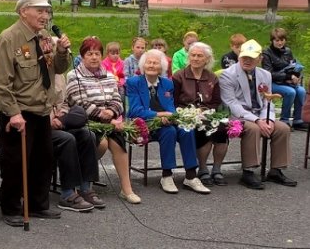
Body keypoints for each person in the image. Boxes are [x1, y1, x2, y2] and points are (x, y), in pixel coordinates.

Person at [0, 0, 71, 227]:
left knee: (43, 159)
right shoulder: (9, 38)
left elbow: (57, 69)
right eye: (40, 10)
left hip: (42, 109)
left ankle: (37, 204)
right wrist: (13, 113)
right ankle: (11, 207)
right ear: (23, 11)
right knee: (16, 161)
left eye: (47, 11)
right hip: (19, 111)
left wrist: (61, 51)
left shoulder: (45, 37)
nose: (45, 15)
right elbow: (0, 83)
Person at [65, 36, 141, 204]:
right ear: (82, 56)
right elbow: (79, 103)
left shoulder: (108, 75)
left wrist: (111, 112)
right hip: (87, 121)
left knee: (118, 141)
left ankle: (126, 189)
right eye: (89, 54)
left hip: (109, 119)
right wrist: (103, 116)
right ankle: (85, 182)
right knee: (102, 142)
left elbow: (117, 98)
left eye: (97, 54)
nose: (94, 57)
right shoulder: (74, 75)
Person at [126, 49, 211, 194]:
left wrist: (172, 116)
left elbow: (170, 107)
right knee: (169, 131)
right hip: (145, 123)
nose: (151, 66)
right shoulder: (133, 82)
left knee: (186, 129)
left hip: (166, 120)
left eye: (155, 63)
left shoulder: (167, 83)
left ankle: (191, 175)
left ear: (162, 67)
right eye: (148, 62)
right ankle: (166, 175)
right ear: (143, 65)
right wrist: (158, 115)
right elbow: (134, 110)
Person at [220, 39, 297, 190]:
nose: (247, 61)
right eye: (244, 57)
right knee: (254, 129)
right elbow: (232, 104)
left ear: (260, 58)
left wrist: (267, 119)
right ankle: (248, 172)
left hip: (259, 114)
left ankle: (276, 170)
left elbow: (267, 100)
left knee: (282, 128)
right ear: (239, 56)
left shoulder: (265, 74)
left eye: (252, 58)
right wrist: (257, 120)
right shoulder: (228, 75)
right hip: (237, 116)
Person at [173, 42, 229, 186]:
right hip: (185, 115)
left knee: (222, 129)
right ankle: (203, 168)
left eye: (200, 56)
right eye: (193, 55)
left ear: (207, 59)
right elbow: (174, 101)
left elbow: (216, 101)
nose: (196, 58)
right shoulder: (179, 76)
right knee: (203, 130)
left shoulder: (212, 78)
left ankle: (217, 168)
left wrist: (204, 110)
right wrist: (190, 112)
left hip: (207, 113)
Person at [51, 74, 104, 212]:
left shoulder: (58, 75)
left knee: (88, 135)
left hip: (57, 121)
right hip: (39, 125)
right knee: (67, 139)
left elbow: (65, 102)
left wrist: (62, 114)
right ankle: (67, 193)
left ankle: (85, 188)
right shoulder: (34, 72)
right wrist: (49, 120)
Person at [262, 28, 307, 130]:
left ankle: (297, 120)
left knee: (301, 91)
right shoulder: (266, 53)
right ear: (272, 41)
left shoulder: (288, 51)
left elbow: (292, 66)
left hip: (287, 81)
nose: (280, 43)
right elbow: (268, 73)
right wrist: (288, 77)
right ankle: (284, 120)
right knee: (290, 92)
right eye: (277, 40)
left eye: (282, 40)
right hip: (272, 83)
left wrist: (295, 76)